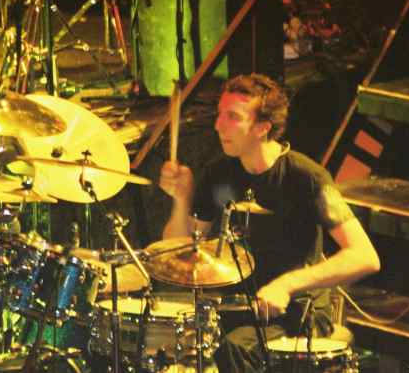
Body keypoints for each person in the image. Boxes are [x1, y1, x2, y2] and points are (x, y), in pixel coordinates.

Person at [159, 73, 380, 372]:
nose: (218, 125)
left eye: (233, 117)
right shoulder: (218, 174)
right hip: (241, 306)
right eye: (220, 114)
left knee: (236, 347)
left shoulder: (306, 177)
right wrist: (181, 198)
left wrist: (287, 285)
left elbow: (365, 256)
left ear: (263, 128)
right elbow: (179, 249)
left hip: (298, 309)